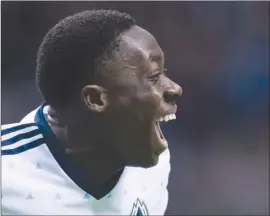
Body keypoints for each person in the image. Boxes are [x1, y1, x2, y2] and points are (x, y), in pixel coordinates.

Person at [1, 9, 182, 215]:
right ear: (95, 99)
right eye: (153, 77)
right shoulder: (8, 174)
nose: (175, 88)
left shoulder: (152, 169)